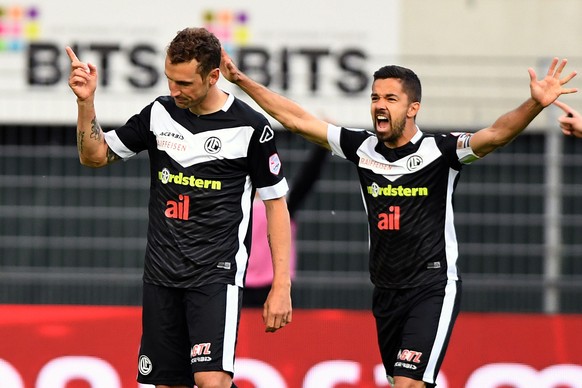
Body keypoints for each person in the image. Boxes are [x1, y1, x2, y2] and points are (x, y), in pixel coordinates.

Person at [220, 51, 577, 388]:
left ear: (412, 108)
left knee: (407, 382)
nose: (379, 105)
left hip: (432, 287)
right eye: (375, 97)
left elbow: (496, 134)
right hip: (386, 290)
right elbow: (297, 120)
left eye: (391, 99)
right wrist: (242, 82)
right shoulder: (361, 148)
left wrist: (534, 104)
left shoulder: (441, 151)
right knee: (402, 382)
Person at [66, 27, 293, 388]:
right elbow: (94, 156)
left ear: (213, 76)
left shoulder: (250, 127)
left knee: (211, 380)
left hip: (215, 275)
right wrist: (85, 103)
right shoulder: (159, 113)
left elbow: (277, 206)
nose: (175, 90)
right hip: (161, 275)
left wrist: (281, 285)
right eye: (170, 79)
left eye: (185, 83)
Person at [244, 145, 328, 307]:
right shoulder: (239, 204)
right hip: (241, 282)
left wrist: (322, 145)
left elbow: (307, 178)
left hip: (275, 284)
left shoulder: (284, 204)